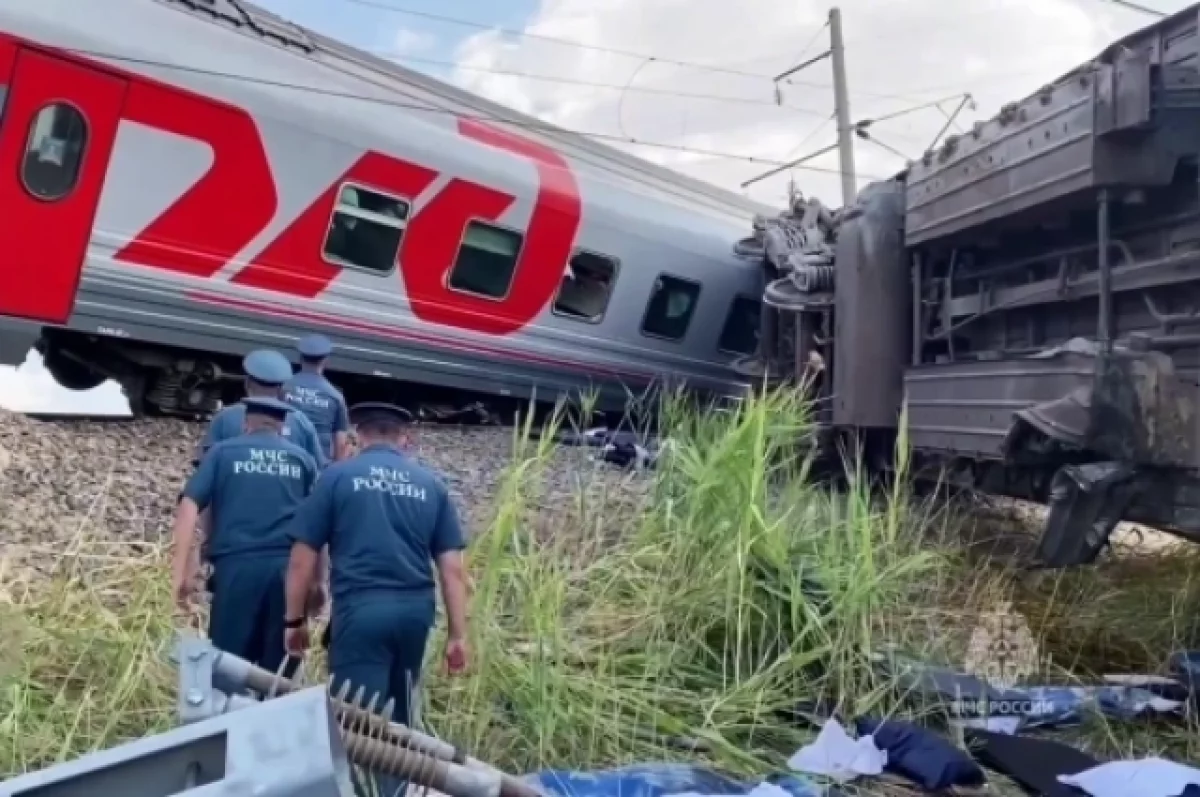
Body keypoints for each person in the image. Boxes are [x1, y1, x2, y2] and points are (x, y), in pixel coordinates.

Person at [282, 403, 469, 758]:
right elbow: (453, 569)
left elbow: (301, 558)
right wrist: (458, 636)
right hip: (416, 616)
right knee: (399, 728)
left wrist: (294, 620)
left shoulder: (337, 477)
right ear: (405, 438)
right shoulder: (432, 485)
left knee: (358, 727)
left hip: (361, 613)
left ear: (358, 435)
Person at [170, 397, 320, 675]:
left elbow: (189, 504)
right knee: (280, 672)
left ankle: (232, 714)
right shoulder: (303, 460)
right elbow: (317, 525)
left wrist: (182, 571)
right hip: (286, 575)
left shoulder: (223, 453)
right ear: (282, 425)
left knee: (228, 667)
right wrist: (317, 582)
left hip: (236, 570)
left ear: (245, 423)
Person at [197, 349, 327, 470]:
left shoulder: (224, 417)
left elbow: (204, 465)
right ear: (282, 388)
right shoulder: (302, 422)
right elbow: (318, 470)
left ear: (247, 383)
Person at [282, 334, 351, 465]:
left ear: (300, 358)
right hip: (317, 465)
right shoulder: (335, 396)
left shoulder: (284, 387)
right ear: (326, 361)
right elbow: (340, 442)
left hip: (285, 460)